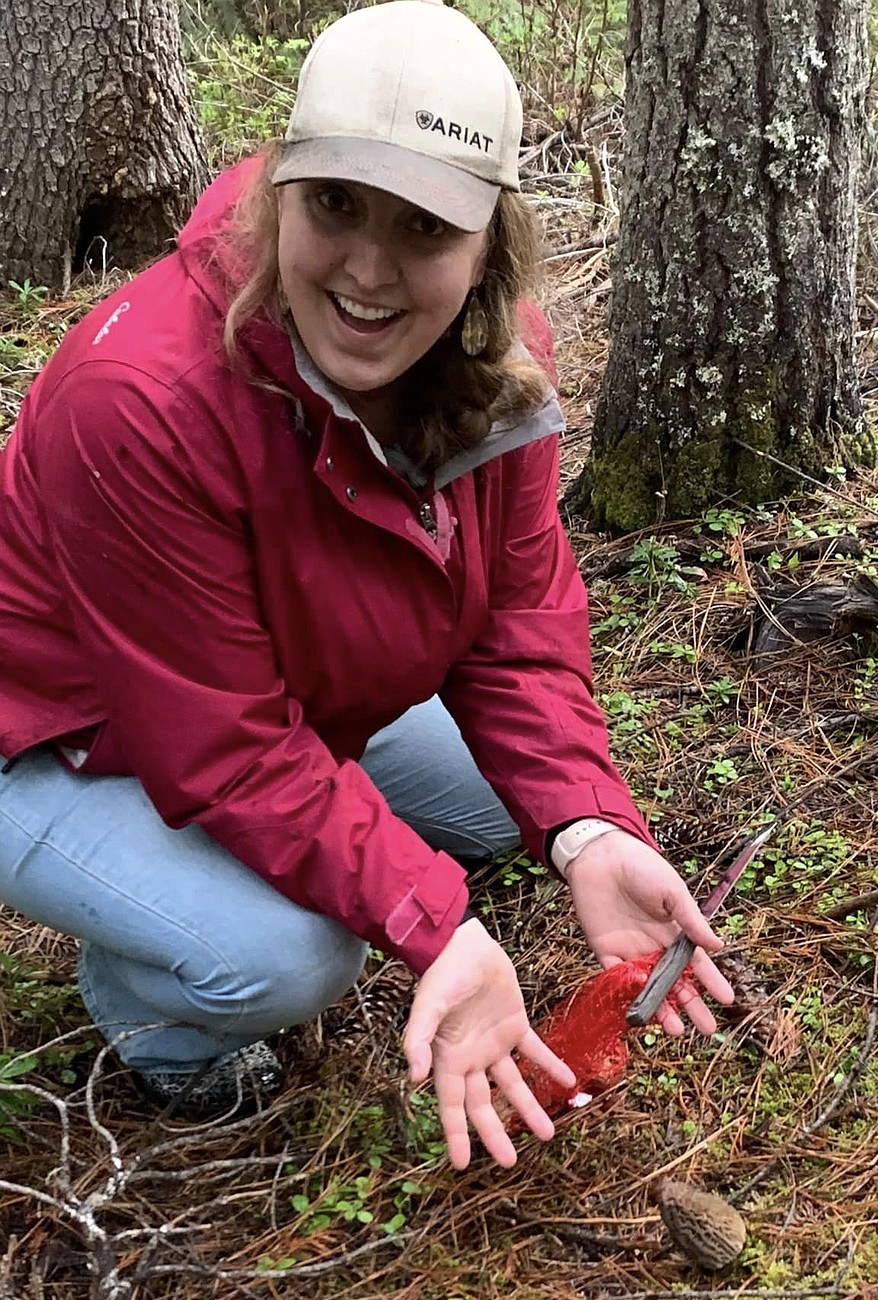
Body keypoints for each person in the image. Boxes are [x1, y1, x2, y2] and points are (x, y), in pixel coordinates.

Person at [0, 0, 733, 1168]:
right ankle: (154, 1009)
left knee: (516, 810)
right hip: (52, 727)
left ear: (489, 243)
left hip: (257, 686)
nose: (369, 272)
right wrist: (433, 924)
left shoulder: (498, 367)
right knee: (294, 955)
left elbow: (517, 629)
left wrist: (592, 830)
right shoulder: (137, 400)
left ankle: (242, 870)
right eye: (336, 204)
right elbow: (224, 745)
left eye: (427, 226)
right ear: (278, 188)